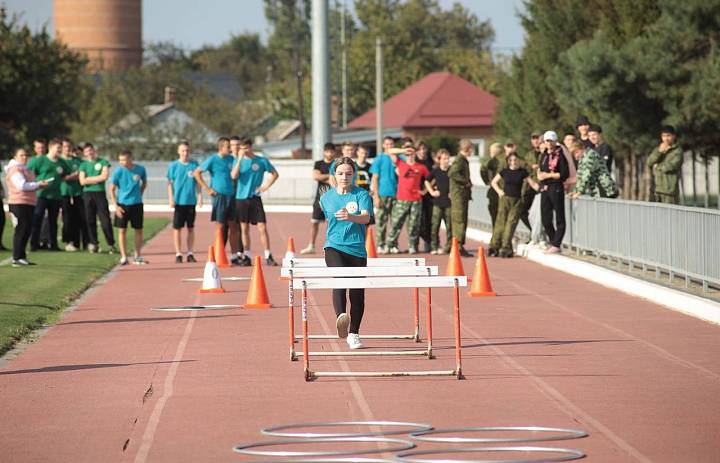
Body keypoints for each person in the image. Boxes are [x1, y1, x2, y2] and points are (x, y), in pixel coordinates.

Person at [320, 156, 373, 350]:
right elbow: (328, 222)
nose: (344, 177)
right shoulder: (326, 198)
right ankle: (341, 318)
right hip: (333, 246)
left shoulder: (362, 195)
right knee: (340, 277)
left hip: (357, 248)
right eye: (340, 173)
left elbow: (366, 218)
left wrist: (350, 217)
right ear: (334, 175)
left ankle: (354, 333)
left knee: (357, 293)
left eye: (348, 174)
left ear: (354, 175)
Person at [230, 138, 280, 266]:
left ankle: (268, 255)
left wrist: (266, 186)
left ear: (251, 147)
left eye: (246, 147)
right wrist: (240, 159)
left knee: (262, 226)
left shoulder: (261, 160)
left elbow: (274, 174)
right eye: (242, 148)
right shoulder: (238, 161)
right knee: (244, 228)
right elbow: (233, 176)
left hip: (255, 198)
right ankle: (247, 255)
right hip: (241, 198)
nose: (244, 150)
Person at [195, 137, 241, 263]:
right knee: (220, 226)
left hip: (231, 195)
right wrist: (207, 188)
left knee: (233, 226)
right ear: (221, 147)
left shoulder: (232, 159)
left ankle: (234, 256)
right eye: (228, 146)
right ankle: (218, 254)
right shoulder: (212, 160)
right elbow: (197, 172)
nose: (230, 149)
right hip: (219, 196)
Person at [488, 152, 539, 257]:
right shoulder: (504, 171)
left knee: (510, 225)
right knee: (500, 224)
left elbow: (533, 184)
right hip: (505, 199)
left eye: (515, 160)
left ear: (518, 161)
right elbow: (493, 182)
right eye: (511, 160)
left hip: (517, 201)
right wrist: (499, 191)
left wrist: (543, 188)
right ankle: (493, 247)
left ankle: (505, 248)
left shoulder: (523, 172)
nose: (513, 162)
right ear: (508, 161)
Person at [5, 148, 49, 266]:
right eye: (21, 155)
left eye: (26, 155)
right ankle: (16, 257)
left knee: (27, 229)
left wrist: (39, 185)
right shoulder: (15, 169)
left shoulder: (25, 169)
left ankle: (21, 256)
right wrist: (38, 184)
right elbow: (21, 185)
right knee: (22, 229)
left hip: (28, 202)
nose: (24, 157)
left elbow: (29, 184)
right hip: (19, 202)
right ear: (15, 157)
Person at [386, 140, 429, 254]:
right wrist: (404, 150)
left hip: (416, 200)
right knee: (396, 223)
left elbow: (430, 178)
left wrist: (425, 191)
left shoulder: (421, 167)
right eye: (408, 155)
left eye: (412, 154)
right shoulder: (401, 163)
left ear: (415, 154)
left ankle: (412, 246)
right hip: (402, 199)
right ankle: (391, 245)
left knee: (414, 225)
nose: (410, 156)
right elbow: (390, 151)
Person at [29, 138, 71, 252]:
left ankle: (53, 245)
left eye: (60, 148)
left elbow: (64, 175)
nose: (60, 150)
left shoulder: (61, 162)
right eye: (58, 148)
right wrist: (38, 183)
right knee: (37, 219)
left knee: (53, 221)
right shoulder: (39, 160)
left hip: (56, 196)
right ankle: (34, 244)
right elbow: (30, 174)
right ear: (50, 147)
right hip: (41, 195)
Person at [109, 149, 148, 265]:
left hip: (136, 204)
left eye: (124, 160)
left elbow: (144, 183)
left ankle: (138, 255)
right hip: (122, 205)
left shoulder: (140, 169)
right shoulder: (118, 172)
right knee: (122, 231)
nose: (122, 162)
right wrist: (116, 206)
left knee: (138, 229)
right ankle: (124, 256)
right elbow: (111, 189)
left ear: (130, 159)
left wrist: (139, 194)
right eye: (120, 160)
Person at [167, 141, 201, 263]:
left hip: (191, 201)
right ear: (178, 151)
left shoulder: (194, 165)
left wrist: (200, 196)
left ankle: (190, 253)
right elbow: (169, 184)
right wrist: (171, 198)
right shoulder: (173, 166)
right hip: (179, 202)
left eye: (187, 150)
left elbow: (198, 182)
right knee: (177, 228)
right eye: (182, 150)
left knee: (190, 228)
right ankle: (178, 253)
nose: (185, 153)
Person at [79, 143, 116, 253]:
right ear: (84, 153)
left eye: (90, 150)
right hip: (87, 194)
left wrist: (89, 178)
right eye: (86, 151)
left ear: (94, 150)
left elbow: (104, 176)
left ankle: (111, 244)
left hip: (99, 193)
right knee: (90, 220)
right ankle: (94, 243)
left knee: (105, 220)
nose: (89, 153)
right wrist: (96, 178)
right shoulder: (83, 165)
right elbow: (82, 181)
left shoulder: (103, 162)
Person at [538, 131, 570, 254]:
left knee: (559, 217)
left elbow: (564, 174)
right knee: (545, 218)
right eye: (547, 141)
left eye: (551, 141)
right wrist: (540, 176)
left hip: (556, 187)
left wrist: (549, 175)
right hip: (545, 188)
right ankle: (553, 241)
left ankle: (556, 243)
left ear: (555, 141)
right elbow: (541, 169)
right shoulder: (544, 155)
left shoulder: (560, 155)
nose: (549, 143)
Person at [300, 142, 335, 255]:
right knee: (314, 222)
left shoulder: (336, 164)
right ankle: (311, 245)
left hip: (333, 199)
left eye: (331, 151)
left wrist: (325, 177)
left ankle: (330, 245)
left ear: (334, 152)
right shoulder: (318, 163)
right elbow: (316, 176)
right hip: (319, 198)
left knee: (332, 223)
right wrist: (329, 177)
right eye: (328, 151)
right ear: (324, 152)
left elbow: (335, 180)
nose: (329, 154)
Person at [369, 136, 399, 254]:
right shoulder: (379, 159)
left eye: (391, 144)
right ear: (383, 145)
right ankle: (381, 244)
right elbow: (375, 178)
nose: (389, 146)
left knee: (395, 221)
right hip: (382, 194)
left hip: (396, 194)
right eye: (387, 144)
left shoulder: (399, 158)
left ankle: (392, 244)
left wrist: (396, 161)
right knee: (382, 221)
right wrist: (376, 196)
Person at [59, 138, 87, 252]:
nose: (67, 149)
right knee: (67, 219)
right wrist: (73, 176)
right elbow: (61, 178)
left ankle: (79, 242)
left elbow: (82, 173)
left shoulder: (78, 161)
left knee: (80, 218)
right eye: (65, 146)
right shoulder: (59, 161)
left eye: (69, 146)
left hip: (78, 193)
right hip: (65, 193)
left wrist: (72, 176)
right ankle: (68, 241)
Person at [449, 139, 475, 257]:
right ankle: (457, 246)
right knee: (459, 220)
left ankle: (459, 245)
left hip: (462, 195)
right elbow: (452, 173)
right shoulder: (459, 160)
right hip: (458, 195)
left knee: (462, 220)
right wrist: (465, 181)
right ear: (467, 148)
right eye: (471, 149)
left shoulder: (463, 160)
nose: (472, 151)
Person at [646, 125, 683, 204]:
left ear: (674, 136)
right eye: (663, 136)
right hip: (656, 189)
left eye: (668, 136)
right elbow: (649, 162)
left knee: (670, 215)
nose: (666, 139)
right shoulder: (658, 149)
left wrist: (657, 167)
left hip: (669, 191)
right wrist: (659, 152)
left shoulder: (677, 151)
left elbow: (671, 166)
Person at [424, 149, 452, 254]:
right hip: (437, 203)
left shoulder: (452, 170)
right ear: (439, 160)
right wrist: (431, 192)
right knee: (435, 226)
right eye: (444, 159)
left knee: (450, 227)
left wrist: (453, 193)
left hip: (449, 203)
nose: (446, 161)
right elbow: (426, 181)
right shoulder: (435, 171)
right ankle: (434, 246)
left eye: (447, 158)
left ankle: (448, 247)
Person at [520, 132, 543, 243]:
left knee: (539, 213)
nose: (536, 141)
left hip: (540, 187)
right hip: (529, 187)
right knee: (522, 210)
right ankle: (533, 232)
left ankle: (537, 236)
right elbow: (524, 168)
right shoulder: (529, 155)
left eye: (537, 138)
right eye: (533, 139)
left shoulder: (545, 153)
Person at [480, 142, 506, 228]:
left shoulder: (492, 161)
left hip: (494, 191)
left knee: (495, 215)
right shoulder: (505, 160)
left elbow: (482, 170)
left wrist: (487, 182)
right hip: (503, 190)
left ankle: (497, 235)